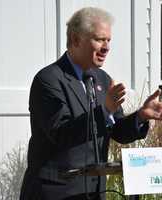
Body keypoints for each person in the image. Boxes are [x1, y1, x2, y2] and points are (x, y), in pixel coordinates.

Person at [20, 7, 162, 200]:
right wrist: (104, 111)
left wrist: (141, 116)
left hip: (94, 193)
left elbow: (117, 131)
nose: (106, 47)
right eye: (99, 39)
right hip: (56, 192)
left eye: (109, 40)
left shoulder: (102, 79)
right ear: (76, 39)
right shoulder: (48, 80)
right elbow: (60, 133)